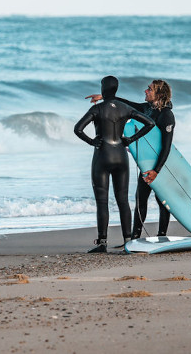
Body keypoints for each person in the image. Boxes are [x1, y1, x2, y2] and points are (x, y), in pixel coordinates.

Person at [74, 76, 155, 253]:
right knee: (123, 200)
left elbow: (78, 129)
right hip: (120, 155)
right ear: (116, 90)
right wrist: (130, 140)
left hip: (102, 155)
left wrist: (91, 142)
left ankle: (102, 243)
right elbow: (150, 123)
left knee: (102, 201)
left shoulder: (98, 109)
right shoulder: (125, 108)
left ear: (103, 89)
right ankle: (128, 241)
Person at [87, 79, 175, 239]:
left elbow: (167, 146)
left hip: (160, 165)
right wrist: (105, 97)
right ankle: (135, 238)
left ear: (159, 94)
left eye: (150, 89)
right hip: (146, 163)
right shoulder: (148, 108)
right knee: (140, 199)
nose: (145, 91)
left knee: (162, 200)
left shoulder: (167, 115)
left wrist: (156, 170)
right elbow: (129, 104)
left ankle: (162, 235)